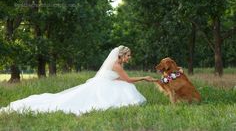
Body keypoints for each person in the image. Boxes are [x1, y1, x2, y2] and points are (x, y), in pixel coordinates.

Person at [0, 45, 154, 116]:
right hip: (99, 86)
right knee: (71, 102)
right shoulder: (116, 65)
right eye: (128, 55)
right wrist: (144, 78)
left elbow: (120, 79)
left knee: (124, 87)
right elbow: (128, 80)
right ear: (121, 55)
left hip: (102, 83)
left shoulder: (118, 64)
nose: (129, 57)